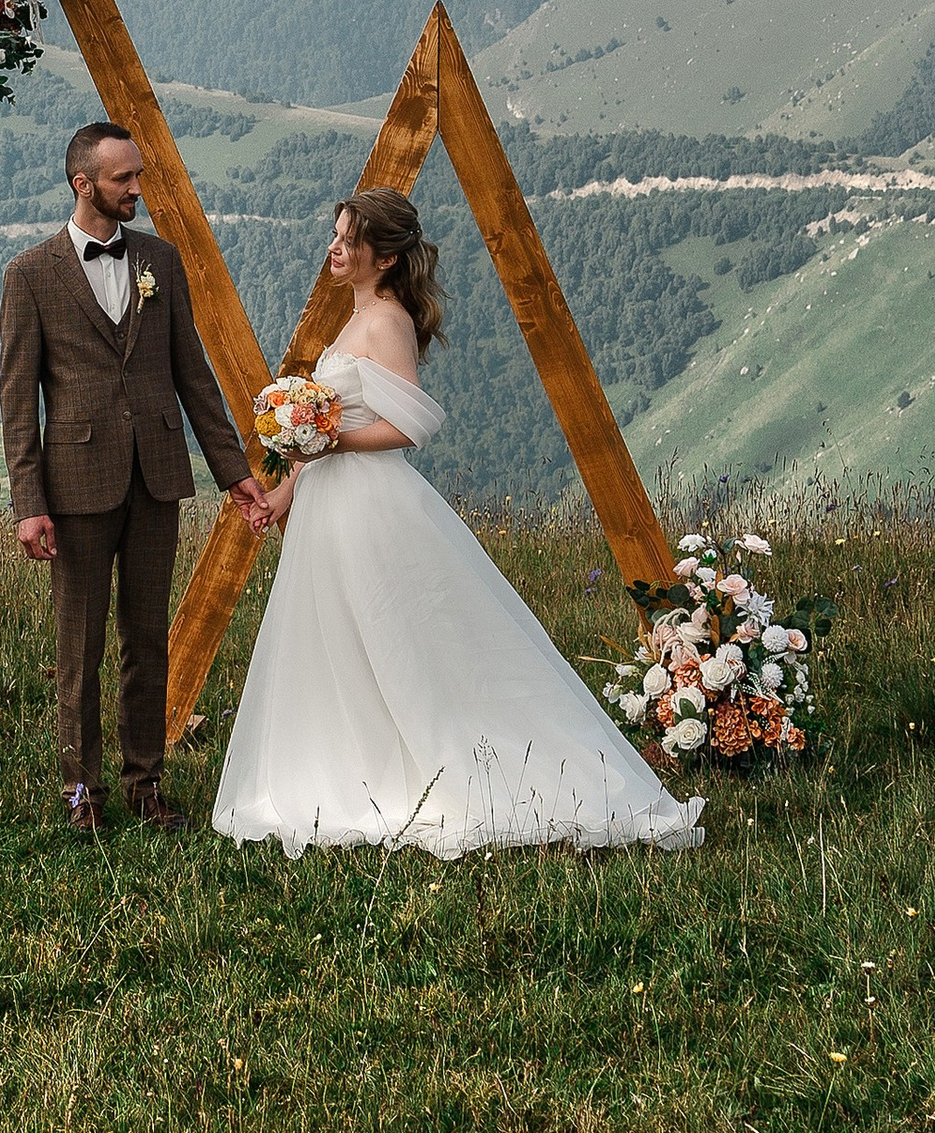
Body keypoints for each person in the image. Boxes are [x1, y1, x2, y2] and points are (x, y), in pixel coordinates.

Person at [213, 188, 704, 859]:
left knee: (394, 635)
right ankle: (355, 764)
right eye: (336, 235)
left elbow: (410, 423)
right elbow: (327, 430)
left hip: (369, 504)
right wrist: (284, 491)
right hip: (329, 501)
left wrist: (331, 442)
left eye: (349, 240)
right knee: (340, 638)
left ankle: (451, 768)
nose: (335, 248)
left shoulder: (387, 321)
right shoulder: (356, 317)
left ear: (384, 258)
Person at [0, 122, 270, 833]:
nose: (137, 190)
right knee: (80, 649)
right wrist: (29, 502)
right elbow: (17, 400)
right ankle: (81, 794)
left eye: (139, 175)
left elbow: (192, 374)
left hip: (157, 478)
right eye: (124, 178)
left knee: (148, 641)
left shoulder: (161, 261)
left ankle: (146, 786)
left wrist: (233, 472)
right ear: (83, 183)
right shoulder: (30, 274)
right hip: (76, 486)